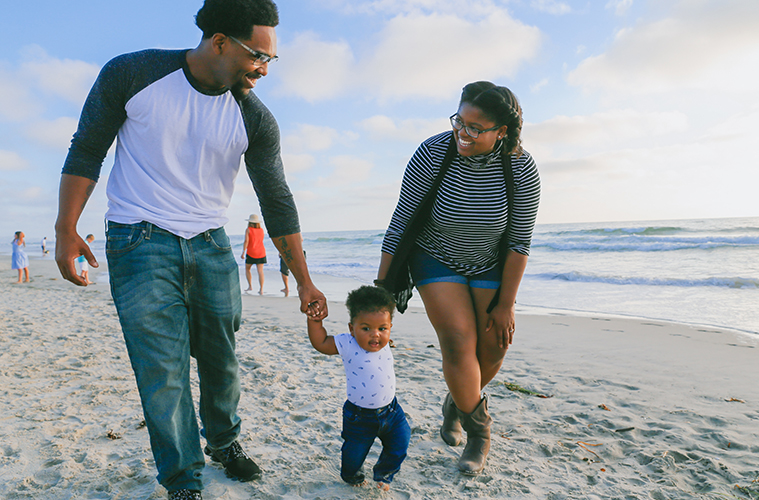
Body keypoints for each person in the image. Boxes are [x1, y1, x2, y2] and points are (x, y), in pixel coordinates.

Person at [54, 1, 327, 499]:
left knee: (221, 361)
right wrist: (66, 225)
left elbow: (277, 199)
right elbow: (88, 146)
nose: (264, 69)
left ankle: (223, 441)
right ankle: (183, 479)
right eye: (257, 55)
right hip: (138, 241)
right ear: (219, 40)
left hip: (211, 246)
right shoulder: (132, 73)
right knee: (162, 368)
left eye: (271, 60)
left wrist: (304, 278)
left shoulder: (254, 118)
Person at [376, 81, 541, 475]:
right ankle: (479, 433)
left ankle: (457, 402)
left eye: (475, 128)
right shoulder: (435, 151)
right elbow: (402, 220)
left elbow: (519, 242)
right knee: (458, 342)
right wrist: (381, 290)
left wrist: (506, 305)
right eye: (459, 122)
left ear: (502, 130)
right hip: (435, 257)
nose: (462, 134)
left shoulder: (520, 167)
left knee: (493, 348)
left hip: (490, 263)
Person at [306, 285, 410, 491]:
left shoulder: (385, 342)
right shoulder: (348, 343)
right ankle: (352, 475)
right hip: (359, 417)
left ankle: (384, 474)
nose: (375, 335)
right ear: (351, 328)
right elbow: (321, 342)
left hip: (391, 411)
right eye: (366, 328)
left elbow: (382, 342)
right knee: (353, 456)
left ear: (390, 327)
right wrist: (315, 322)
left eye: (382, 329)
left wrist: (387, 340)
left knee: (400, 444)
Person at [241, 214, 266, 294]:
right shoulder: (261, 230)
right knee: (260, 271)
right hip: (261, 252)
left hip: (251, 252)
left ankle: (250, 286)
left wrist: (243, 252)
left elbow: (246, 241)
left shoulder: (248, 230)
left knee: (248, 269)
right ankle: (261, 289)